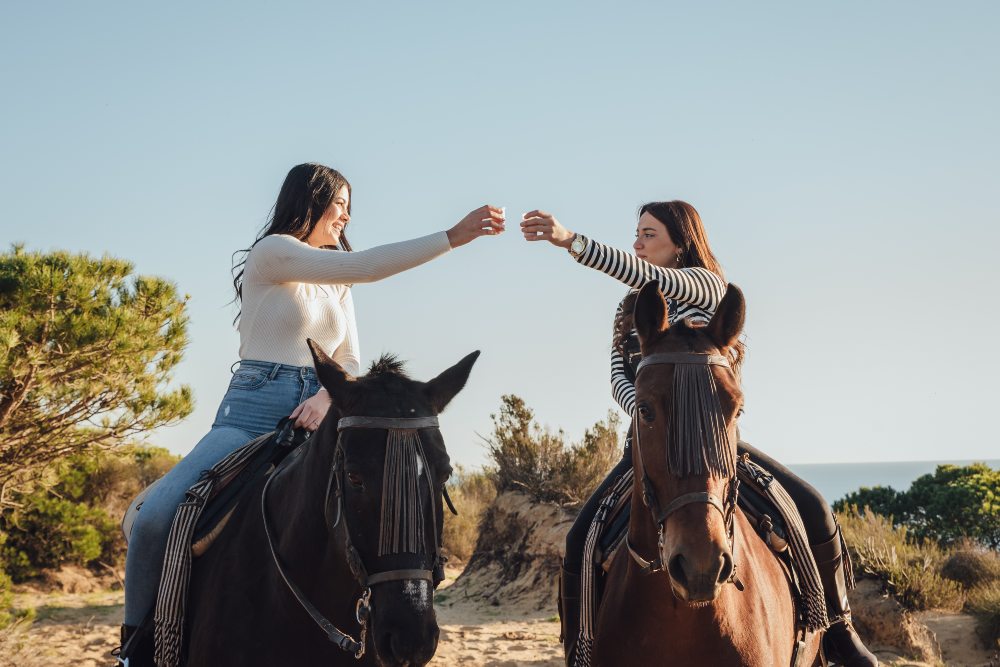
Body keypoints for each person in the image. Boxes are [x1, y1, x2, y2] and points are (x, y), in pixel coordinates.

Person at [117, 163, 505, 663]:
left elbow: (348, 361)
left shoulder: (334, 284)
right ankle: (135, 650)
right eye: (337, 204)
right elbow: (364, 266)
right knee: (156, 520)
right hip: (250, 415)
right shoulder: (273, 252)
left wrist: (327, 397)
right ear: (309, 202)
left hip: (326, 415)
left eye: (349, 206)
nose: (345, 215)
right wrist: (453, 236)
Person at [521, 201, 878, 667]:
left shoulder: (709, 287)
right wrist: (651, 415)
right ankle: (580, 649)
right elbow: (617, 377)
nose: (637, 244)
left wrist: (571, 241)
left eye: (648, 234)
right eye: (636, 234)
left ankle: (838, 631)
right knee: (580, 541)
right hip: (651, 446)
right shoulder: (630, 308)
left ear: (680, 242)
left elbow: (645, 275)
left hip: (714, 445)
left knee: (812, 507)